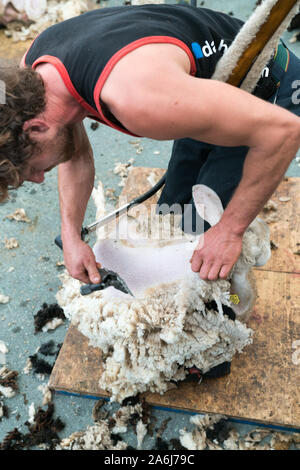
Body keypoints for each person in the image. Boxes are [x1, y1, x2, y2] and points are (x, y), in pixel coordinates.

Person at [0, 4, 299, 286]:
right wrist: (70, 235)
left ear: (36, 128)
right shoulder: (34, 73)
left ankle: (231, 300)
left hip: (271, 86)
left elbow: (283, 132)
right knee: (172, 219)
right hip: (199, 92)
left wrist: (230, 231)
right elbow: (73, 152)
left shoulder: (139, 99)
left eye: (33, 169)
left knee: (207, 252)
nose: (39, 177)